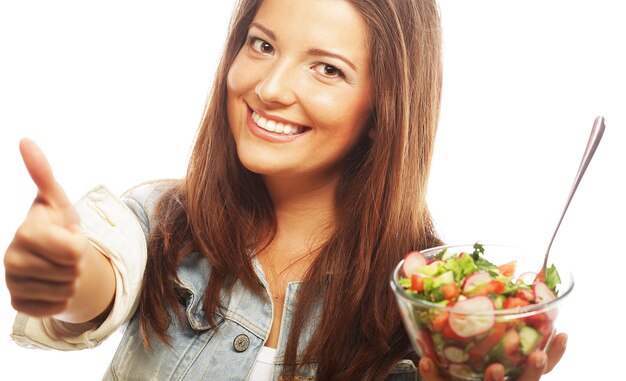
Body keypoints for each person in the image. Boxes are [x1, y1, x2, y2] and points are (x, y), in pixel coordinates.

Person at [3, 0, 567, 380]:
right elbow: (102, 274)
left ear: (384, 108)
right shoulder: (160, 222)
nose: (268, 88)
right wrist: (68, 275)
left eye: (326, 69)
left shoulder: (425, 310)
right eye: (262, 45)